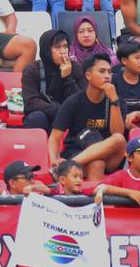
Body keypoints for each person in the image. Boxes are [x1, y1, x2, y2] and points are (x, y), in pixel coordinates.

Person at [48, 53, 126, 182]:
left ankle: (65, 168)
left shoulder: (117, 101)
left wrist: (114, 100)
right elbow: (55, 137)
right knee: (97, 163)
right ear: (88, 75)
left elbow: (117, 133)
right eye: (102, 71)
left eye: (109, 72)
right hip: (77, 151)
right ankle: (93, 202)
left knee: (119, 138)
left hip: (109, 155)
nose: (107, 76)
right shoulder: (74, 101)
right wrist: (53, 160)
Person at [22, 29, 80, 131]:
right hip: (45, 115)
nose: (63, 51)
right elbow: (31, 102)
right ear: (47, 50)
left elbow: (80, 102)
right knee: (36, 118)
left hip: (70, 117)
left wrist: (67, 78)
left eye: (65, 46)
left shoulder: (76, 68)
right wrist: (60, 110)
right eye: (57, 47)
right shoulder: (32, 70)